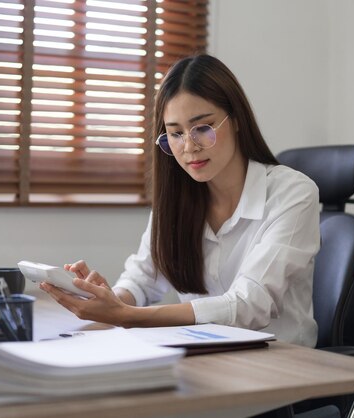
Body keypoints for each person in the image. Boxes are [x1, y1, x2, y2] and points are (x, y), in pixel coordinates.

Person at [40, 54, 320, 347]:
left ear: (236, 120)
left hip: (281, 366)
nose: (189, 147)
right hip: (204, 358)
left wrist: (126, 315)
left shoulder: (293, 193)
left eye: (203, 128)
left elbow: (249, 305)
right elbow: (141, 280)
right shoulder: (177, 198)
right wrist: (109, 300)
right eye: (175, 133)